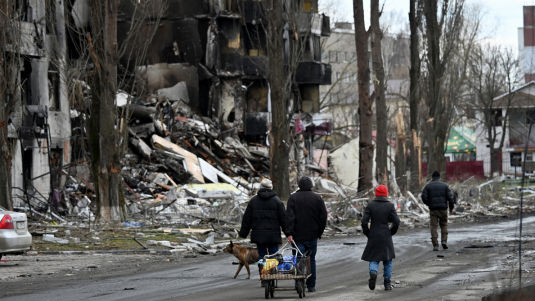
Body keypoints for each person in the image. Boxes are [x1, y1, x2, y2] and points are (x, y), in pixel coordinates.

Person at [286, 176, 327, 293]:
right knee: (311, 259)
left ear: (299, 186)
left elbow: (289, 217)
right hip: (312, 234)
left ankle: (298, 283)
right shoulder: (317, 198)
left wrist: (289, 233)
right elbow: (323, 217)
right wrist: (320, 232)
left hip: (297, 235)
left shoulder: (293, 198)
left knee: (298, 259)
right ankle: (311, 285)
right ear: (311, 185)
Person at [361, 185, 400, 291]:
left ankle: (373, 272)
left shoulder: (370, 205)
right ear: (386, 194)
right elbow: (397, 221)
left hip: (373, 234)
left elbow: (364, 222)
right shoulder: (390, 206)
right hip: (386, 235)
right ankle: (387, 284)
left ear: (376, 193)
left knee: (374, 258)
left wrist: (368, 233)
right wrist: (391, 232)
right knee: (388, 260)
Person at [239, 178, 287, 264]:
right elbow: (283, 219)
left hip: (259, 234)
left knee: (262, 255)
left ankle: (263, 274)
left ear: (260, 187)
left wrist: (243, 233)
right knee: (273, 255)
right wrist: (288, 232)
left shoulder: (253, 201)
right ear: (271, 187)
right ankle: (272, 274)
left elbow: (247, 219)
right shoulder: (277, 201)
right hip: (273, 235)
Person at [421, 170, 455, 251]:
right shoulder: (445, 186)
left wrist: (429, 204)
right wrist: (451, 208)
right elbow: (450, 198)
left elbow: (423, 197)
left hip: (433, 209)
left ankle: (435, 245)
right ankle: (444, 241)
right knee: (444, 225)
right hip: (443, 209)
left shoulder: (428, 186)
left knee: (433, 226)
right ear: (439, 177)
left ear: (432, 177)